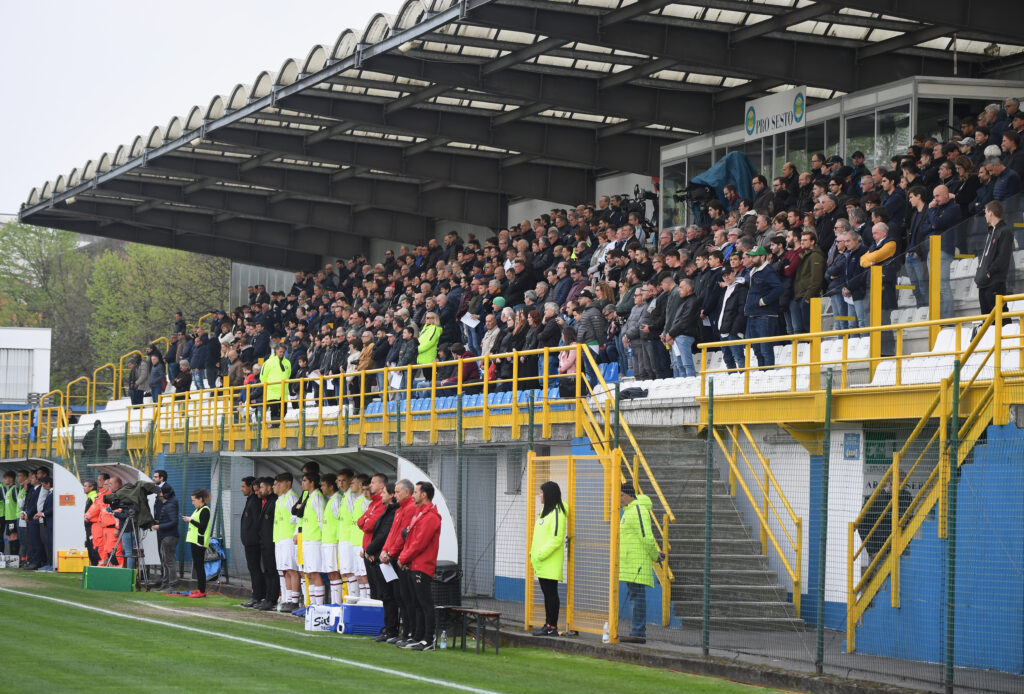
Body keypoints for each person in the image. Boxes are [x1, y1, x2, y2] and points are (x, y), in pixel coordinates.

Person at [397, 481, 442, 651]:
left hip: (422, 566)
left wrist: (403, 557)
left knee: (425, 604)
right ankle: (417, 637)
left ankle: (428, 640)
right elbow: (410, 539)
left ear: (424, 495)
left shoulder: (431, 517)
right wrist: (406, 559)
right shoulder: (420, 514)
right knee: (416, 603)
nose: (413, 495)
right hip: (413, 564)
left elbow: (419, 543)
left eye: (415, 492)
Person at [618, 481, 663, 644]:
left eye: (621, 495)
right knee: (635, 597)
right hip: (630, 562)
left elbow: (646, 537)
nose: (619, 498)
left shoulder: (637, 510)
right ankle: (637, 632)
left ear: (630, 495)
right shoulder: (629, 510)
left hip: (636, 563)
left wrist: (654, 555)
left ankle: (638, 633)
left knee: (637, 598)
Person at [380, 478, 417, 646]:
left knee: (406, 598)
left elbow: (403, 537)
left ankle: (409, 632)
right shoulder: (399, 510)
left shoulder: (410, 509)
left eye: (397, 492)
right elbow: (392, 534)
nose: (395, 495)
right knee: (398, 596)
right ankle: (403, 632)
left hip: (402, 560)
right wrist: (385, 550)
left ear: (407, 493)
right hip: (394, 558)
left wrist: (391, 553)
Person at [529, 480, 569, 636]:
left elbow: (556, 539)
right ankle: (548, 624)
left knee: (551, 594)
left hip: (549, 562)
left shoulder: (558, 513)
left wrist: (540, 554)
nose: (540, 495)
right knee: (547, 595)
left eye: (542, 492)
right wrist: (534, 554)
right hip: (541, 562)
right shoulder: (545, 512)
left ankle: (552, 627)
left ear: (549, 494)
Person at [365, 482, 399, 641]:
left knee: (389, 595)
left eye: (384, 492)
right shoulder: (388, 510)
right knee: (385, 595)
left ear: (392, 495)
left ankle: (392, 630)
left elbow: (384, 535)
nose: (382, 495)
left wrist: (370, 550)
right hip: (380, 556)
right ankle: (388, 628)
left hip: (386, 559)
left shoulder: (393, 513)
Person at [976, 200, 1013, 316]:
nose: (985, 215)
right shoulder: (991, 232)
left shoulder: (1005, 231)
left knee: (1000, 318)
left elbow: (1003, 257)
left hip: (995, 281)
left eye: (986, 212)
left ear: (991, 213)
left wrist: (989, 272)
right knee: (986, 320)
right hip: (983, 282)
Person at [296, 471, 326, 605]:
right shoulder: (309, 497)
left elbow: (321, 520)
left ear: (312, 483)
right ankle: (312, 606)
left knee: (315, 573)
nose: (302, 484)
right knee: (308, 574)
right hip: (307, 540)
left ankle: (318, 606)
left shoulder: (317, 498)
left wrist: (322, 540)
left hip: (315, 541)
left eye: (304, 481)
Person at [273, 473, 301, 612]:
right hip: (280, 538)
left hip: (289, 539)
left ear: (288, 483)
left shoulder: (292, 498)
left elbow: (297, 518)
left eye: (280, 483)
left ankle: (294, 600)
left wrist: (295, 534)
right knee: (285, 571)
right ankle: (288, 599)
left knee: (292, 570)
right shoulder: (281, 499)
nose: (278, 485)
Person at [239, 476, 265, 608]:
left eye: (243, 486)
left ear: (250, 487)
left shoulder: (254, 501)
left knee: (255, 569)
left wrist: (254, 538)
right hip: (249, 542)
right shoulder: (250, 500)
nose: (241, 489)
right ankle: (256, 596)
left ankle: (257, 596)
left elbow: (256, 523)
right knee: (253, 569)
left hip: (253, 542)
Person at [182, 488, 211, 598]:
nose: (192, 502)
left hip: (200, 542)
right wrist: (189, 519)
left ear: (200, 499)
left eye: (194, 500)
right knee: (198, 566)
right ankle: (200, 589)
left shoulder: (205, 510)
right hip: (194, 541)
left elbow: (202, 527)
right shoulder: (198, 510)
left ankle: (202, 591)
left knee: (200, 566)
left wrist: (190, 520)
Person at [255, 476, 279, 610]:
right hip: (265, 542)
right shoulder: (268, 501)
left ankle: (272, 599)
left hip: (271, 542)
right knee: (267, 571)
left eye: (262, 487)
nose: (260, 490)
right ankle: (267, 597)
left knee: (272, 571)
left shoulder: (275, 501)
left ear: (269, 488)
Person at [151, 484, 179, 591]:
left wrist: (159, 526)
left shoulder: (169, 505)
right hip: (167, 536)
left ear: (165, 494)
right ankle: (166, 584)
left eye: (160, 492)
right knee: (166, 562)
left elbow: (174, 522)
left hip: (169, 536)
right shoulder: (167, 504)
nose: (158, 494)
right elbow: (170, 520)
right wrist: (158, 522)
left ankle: (171, 585)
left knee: (169, 562)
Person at [260, 343, 292, 422]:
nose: (282, 353)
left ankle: (279, 426)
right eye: (280, 352)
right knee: (274, 412)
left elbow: (288, 374)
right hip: (272, 392)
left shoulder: (287, 362)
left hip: (283, 392)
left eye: (283, 352)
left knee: (284, 411)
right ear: (276, 351)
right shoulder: (268, 362)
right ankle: (275, 427)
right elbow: (262, 376)